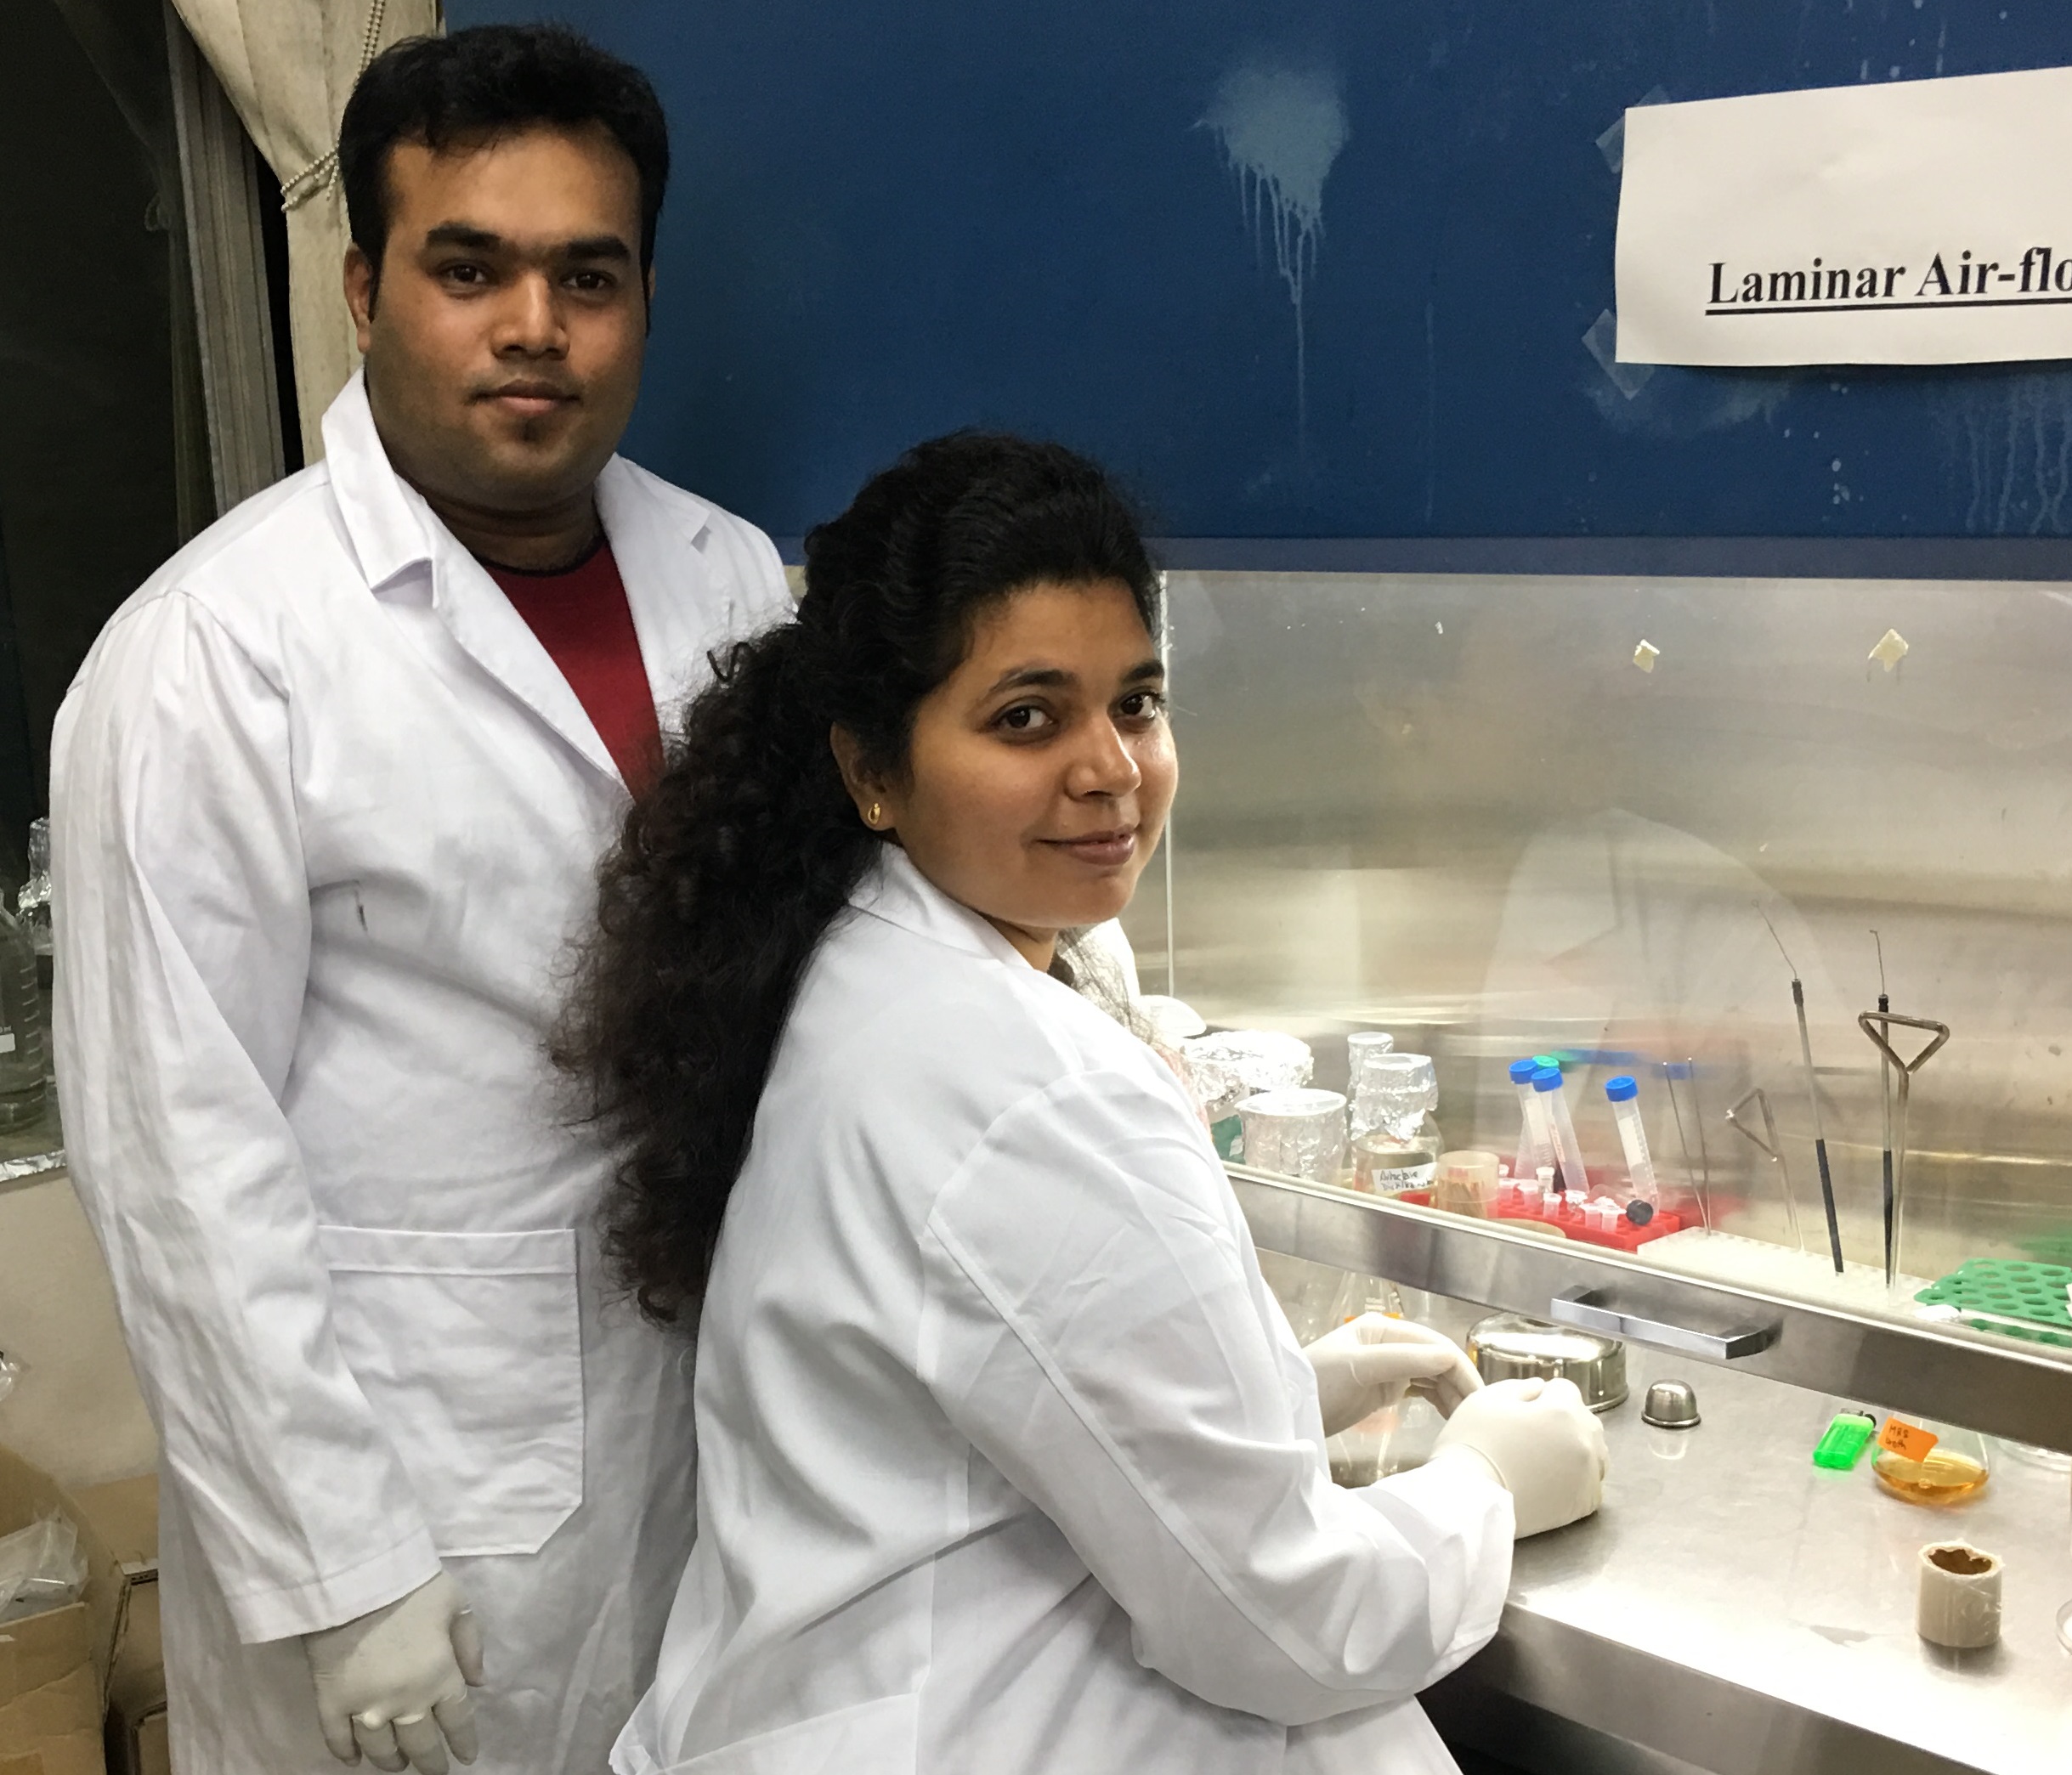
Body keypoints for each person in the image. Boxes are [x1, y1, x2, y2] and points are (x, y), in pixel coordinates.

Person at [561, 433, 1607, 1774]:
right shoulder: (1027, 1085)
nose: (1109, 766)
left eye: (1137, 702)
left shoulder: (859, 966)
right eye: (1026, 717)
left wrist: (1279, 1391)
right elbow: (1279, 1616)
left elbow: (985, 1389)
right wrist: (1483, 1486)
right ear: (871, 768)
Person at [51, 25, 790, 1775]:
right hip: (412, 1503)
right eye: (470, 269)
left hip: (726, 1445)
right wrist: (339, 1566)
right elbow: (176, 1155)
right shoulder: (217, 653)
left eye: (585, 276)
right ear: (364, 290)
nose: (533, 325)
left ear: (643, 301)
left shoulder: (733, 577)